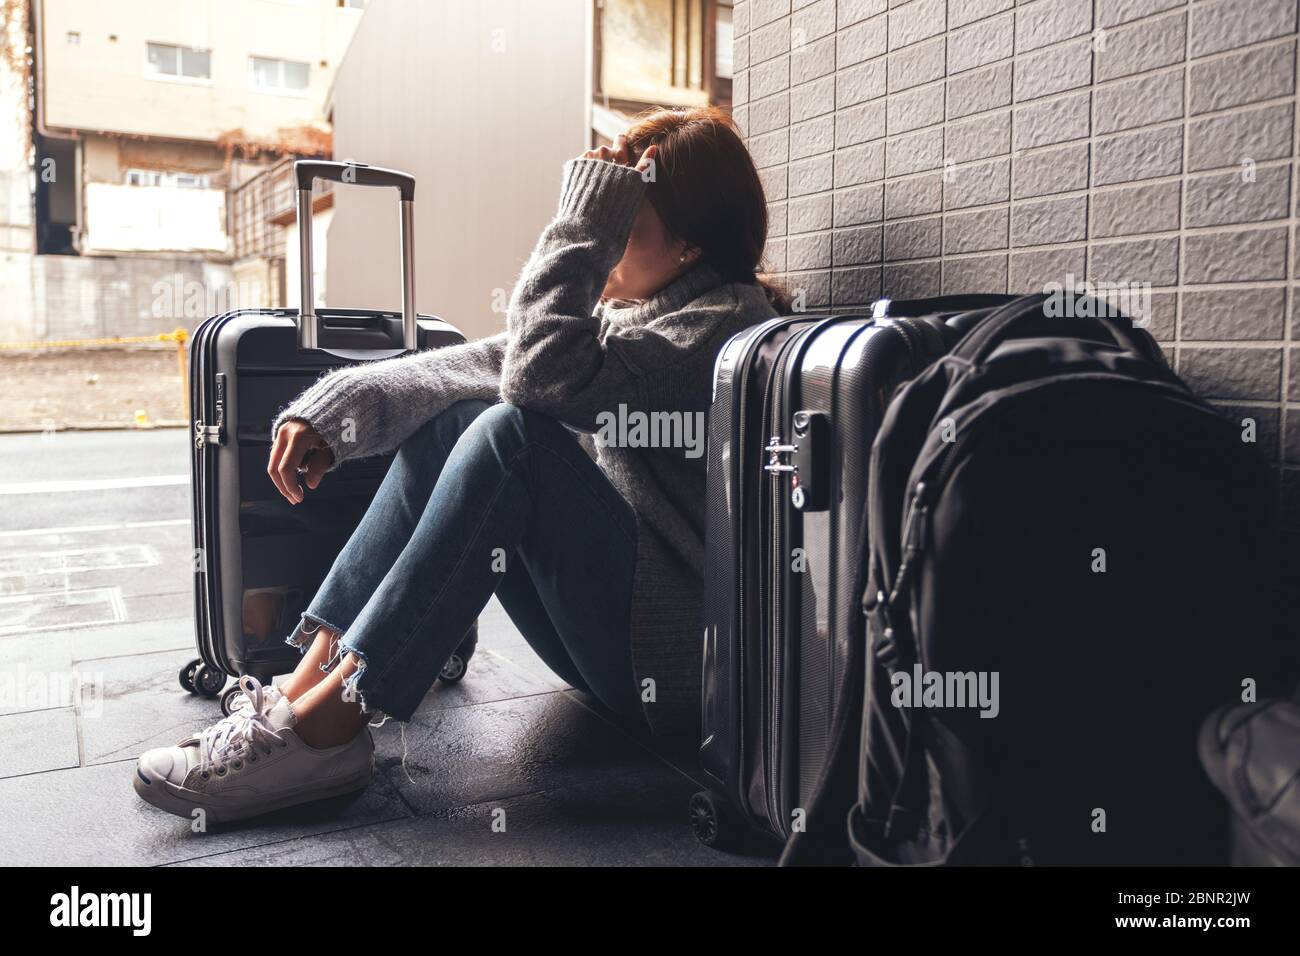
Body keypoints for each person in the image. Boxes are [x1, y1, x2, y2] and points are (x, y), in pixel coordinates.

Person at [133, 106, 783, 823]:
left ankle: (332, 726)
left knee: (513, 436)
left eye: (621, 223)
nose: (604, 243)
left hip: (669, 667)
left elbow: (534, 375)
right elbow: (487, 366)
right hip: (619, 638)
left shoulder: (721, 332)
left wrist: (581, 222)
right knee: (463, 419)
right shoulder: (648, 317)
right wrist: (337, 409)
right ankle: (298, 697)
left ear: (687, 243)